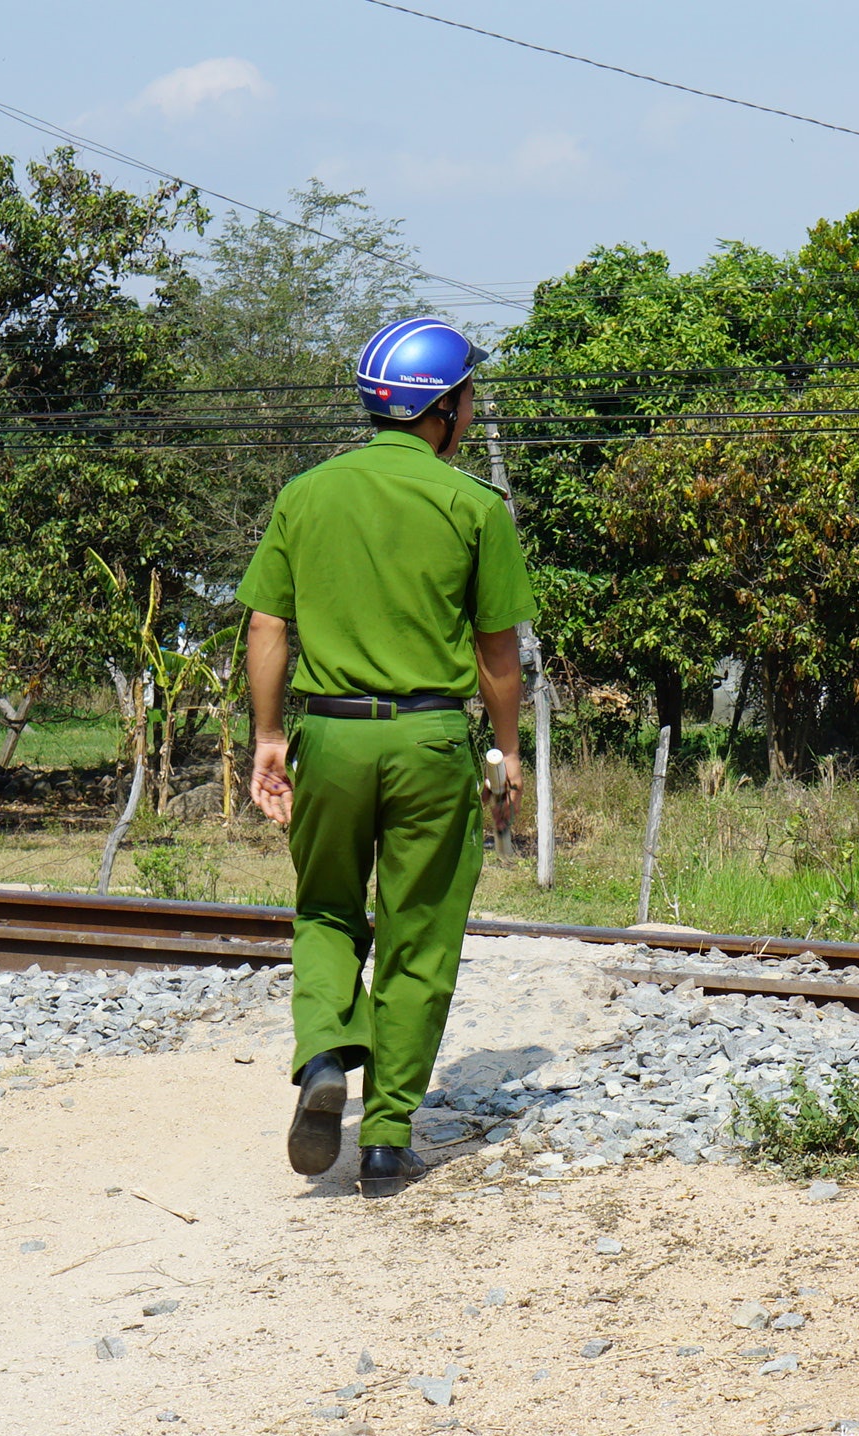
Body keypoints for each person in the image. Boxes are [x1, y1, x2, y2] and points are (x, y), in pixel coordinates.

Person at [238, 316, 535, 1199]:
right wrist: (508, 753)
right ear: (441, 408)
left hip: (328, 734)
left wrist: (268, 738)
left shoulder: (307, 494)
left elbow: (266, 624)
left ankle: (326, 1049)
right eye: (468, 396)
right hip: (429, 740)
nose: (473, 410)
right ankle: (386, 1139)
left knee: (327, 909)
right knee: (420, 931)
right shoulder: (475, 506)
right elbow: (497, 654)